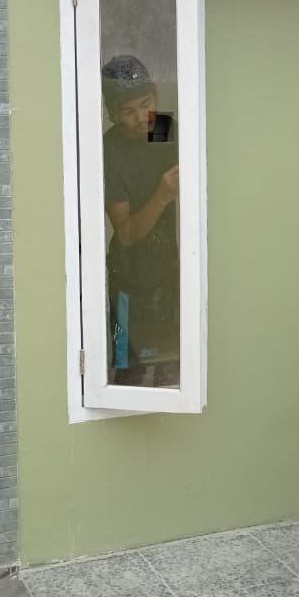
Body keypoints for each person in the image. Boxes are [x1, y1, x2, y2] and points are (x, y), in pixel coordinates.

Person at [101, 55, 179, 387]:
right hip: (129, 280)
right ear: (111, 112)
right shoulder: (109, 150)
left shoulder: (159, 128)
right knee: (128, 374)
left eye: (146, 105)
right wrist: (162, 195)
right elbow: (127, 235)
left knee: (172, 372)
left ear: (155, 96)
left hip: (170, 273)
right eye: (128, 111)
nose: (139, 119)